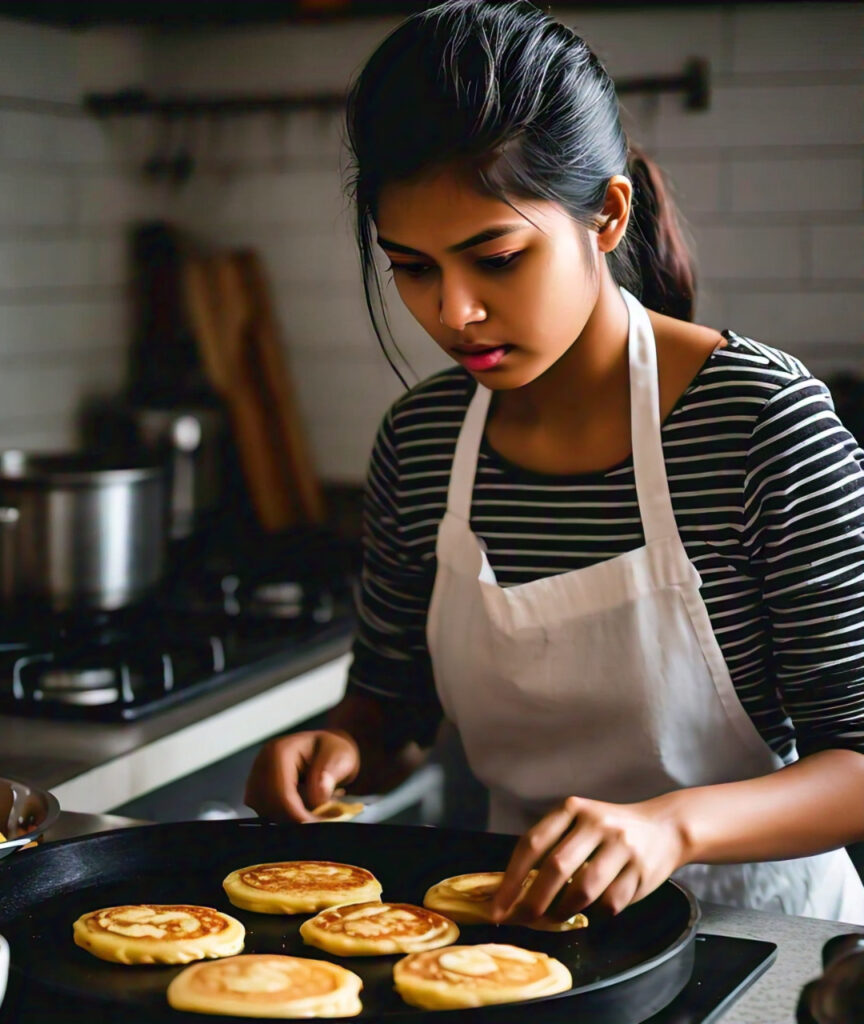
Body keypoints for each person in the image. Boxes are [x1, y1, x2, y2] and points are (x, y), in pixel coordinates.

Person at [245, 0, 864, 925]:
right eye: (411, 268)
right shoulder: (419, 444)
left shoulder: (761, 426)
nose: (453, 313)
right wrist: (335, 746)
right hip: (515, 943)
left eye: (494, 258)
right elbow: (393, 711)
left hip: (759, 937)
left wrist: (671, 829)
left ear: (607, 216)